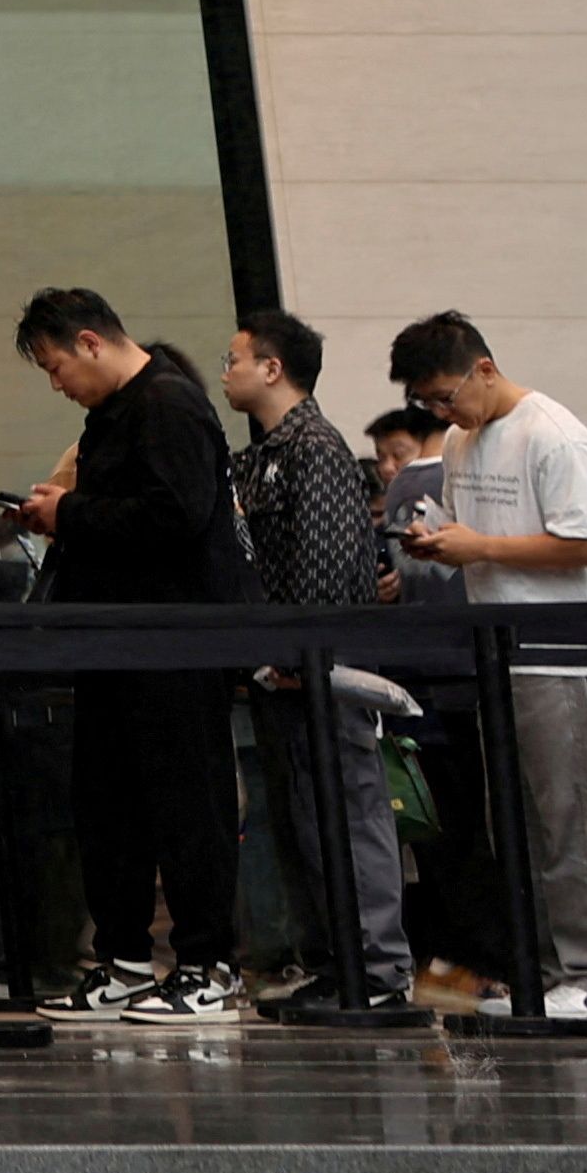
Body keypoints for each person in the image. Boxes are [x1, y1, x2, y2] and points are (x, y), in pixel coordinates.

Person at [12, 287, 257, 1019]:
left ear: (90, 342)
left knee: (186, 804)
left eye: (56, 367)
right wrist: (61, 518)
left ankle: (207, 961)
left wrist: (70, 512)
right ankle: (119, 958)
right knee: (107, 805)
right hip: (113, 639)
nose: (57, 385)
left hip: (175, 639)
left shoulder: (168, 403)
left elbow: (176, 513)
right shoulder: (107, 416)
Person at [389, 309, 587, 1022]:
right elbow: (483, 536)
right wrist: (440, 543)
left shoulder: (552, 433)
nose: (440, 412)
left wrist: (481, 550)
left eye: (444, 396)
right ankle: (556, 970)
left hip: (565, 651)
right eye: (427, 404)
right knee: (520, 825)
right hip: (504, 653)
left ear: (484, 369)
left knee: (572, 819)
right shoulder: (465, 441)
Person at [221, 308, 416, 1011]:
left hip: (319, 670)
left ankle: (377, 971)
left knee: (347, 810)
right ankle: (336, 963)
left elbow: (330, 561)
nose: (226, 371)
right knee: (304, 818)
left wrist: (307, 652)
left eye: (234, 359)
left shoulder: (315, 446)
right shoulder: (264, 450)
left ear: (271, 368)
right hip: (279, 669)